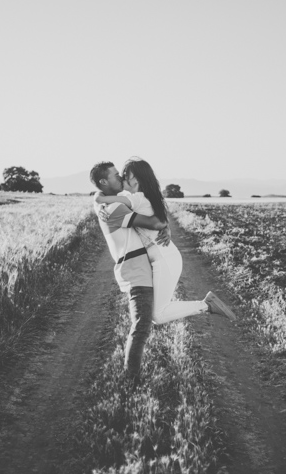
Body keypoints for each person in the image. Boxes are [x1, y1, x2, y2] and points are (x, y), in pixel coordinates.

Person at [89, 159, 235, 383]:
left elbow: (153, 220)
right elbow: (152, 220)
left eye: (124, 175)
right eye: (116, 175)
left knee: (148, 320)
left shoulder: (124, 202)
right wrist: (99, 199)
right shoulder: (115, 207)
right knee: (148, 320)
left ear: (137, 180)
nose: (121, 177)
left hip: (156, 260)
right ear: (103, 182)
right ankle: (206, 305)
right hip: (143, 264)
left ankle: (131, 379)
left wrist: (164, 226)